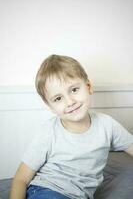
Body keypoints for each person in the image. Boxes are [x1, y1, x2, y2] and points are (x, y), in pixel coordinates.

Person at [10, 54, 133, 199]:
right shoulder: (49, 131)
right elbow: (21, 179)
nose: (70, 102)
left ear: (88, 87)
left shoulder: (107, 125)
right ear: (51, 107)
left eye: (74, 90)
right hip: (47, 190)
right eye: (58, 98)